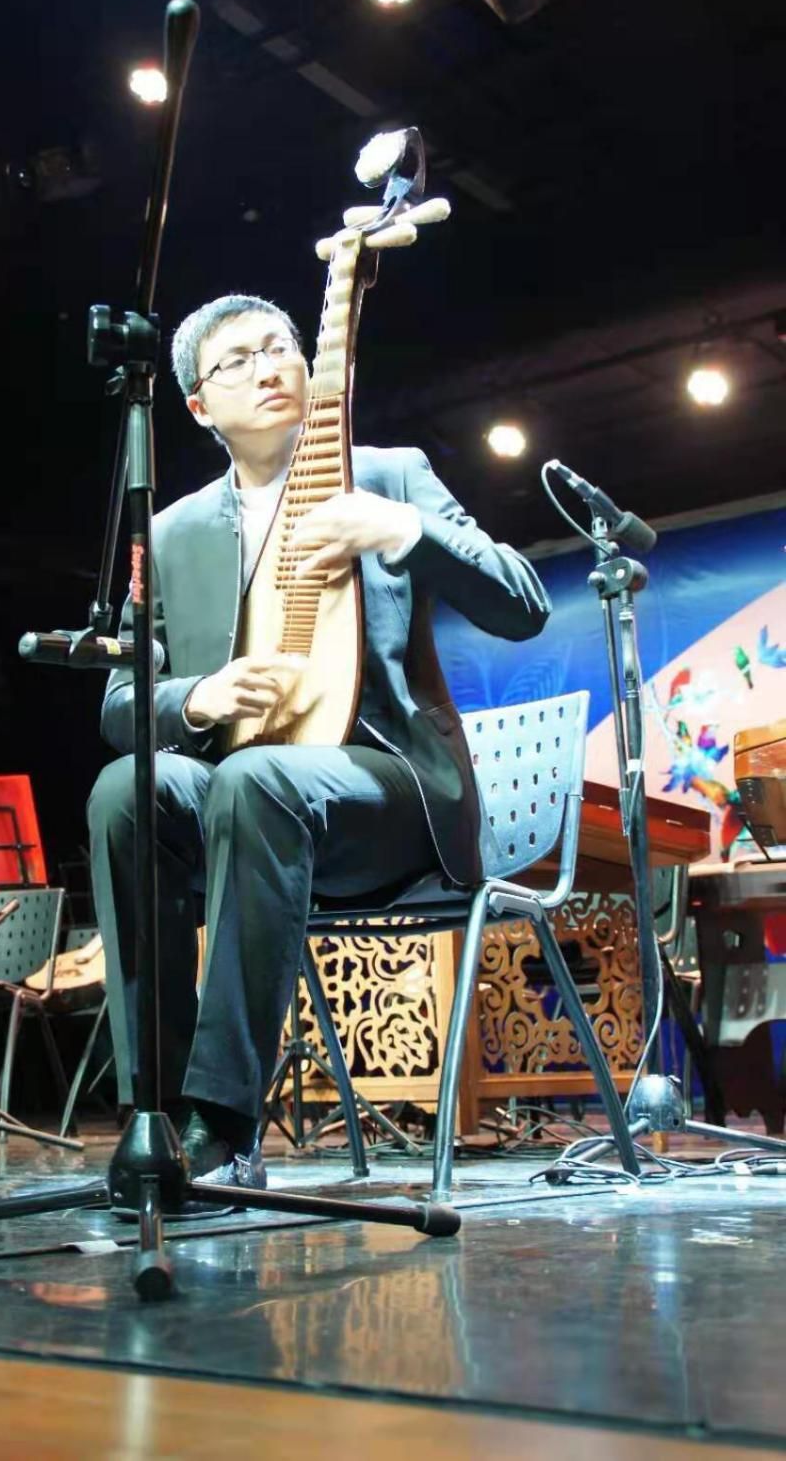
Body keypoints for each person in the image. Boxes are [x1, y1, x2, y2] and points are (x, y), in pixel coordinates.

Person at [88, 293, 551, 1186]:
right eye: (238, 360)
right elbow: (119, 703)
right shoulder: (171, 531)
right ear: (198, 405)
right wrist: (200, 695)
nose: (269, 367)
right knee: (126, 791)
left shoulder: (389, 474)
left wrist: (402, 530)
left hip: (390, 795)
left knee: (256, 779)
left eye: (281, 347)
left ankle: (225, 1123)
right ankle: (159, 1112)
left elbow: (522, 602)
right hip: (246, 799)